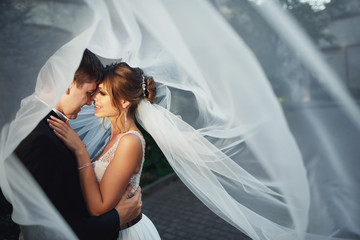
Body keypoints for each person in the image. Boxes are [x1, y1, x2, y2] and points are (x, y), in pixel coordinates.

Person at [14, 50, 142, 240]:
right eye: (90, 93)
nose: (91, 101)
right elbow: (49, 227)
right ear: (67, 84)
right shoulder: (38, 139)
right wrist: (116, 218)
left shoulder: (49, 127)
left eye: (99, 94)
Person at [48, 62, 161, 239]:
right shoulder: (111, 135)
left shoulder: (130, 141)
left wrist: (80, 151)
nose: (93, 98)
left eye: (102, 93)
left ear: (124, 101)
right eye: (95, 92)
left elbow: (99, 208)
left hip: (125, 233)